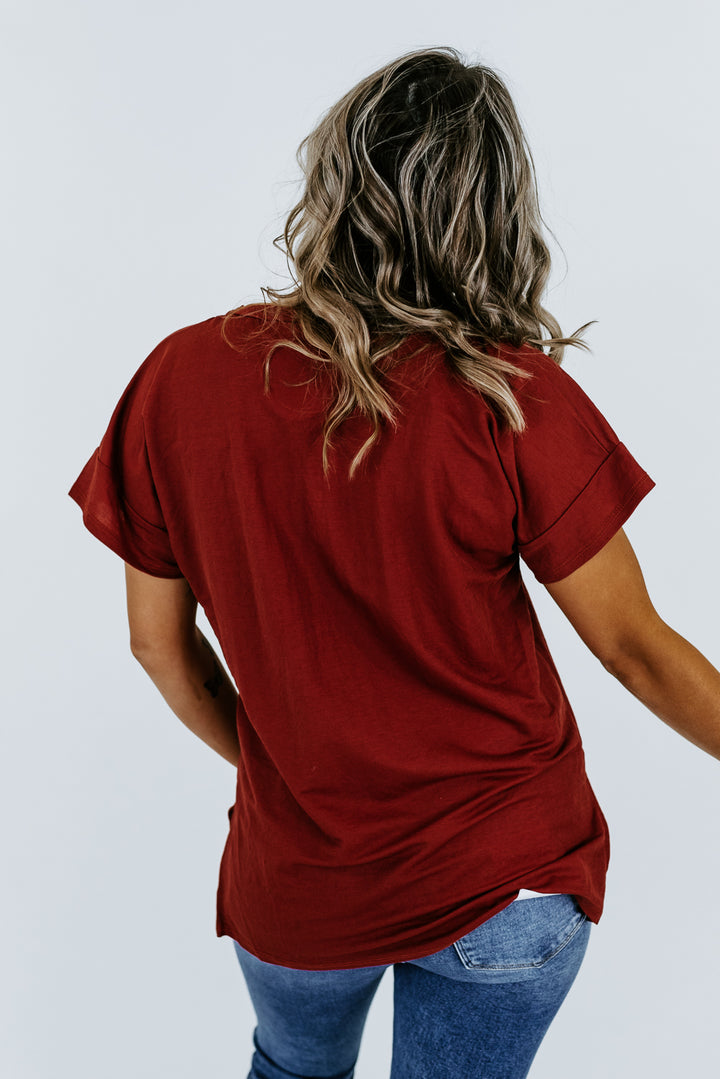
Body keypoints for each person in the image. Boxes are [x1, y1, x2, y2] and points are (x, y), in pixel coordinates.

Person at [67, 45, 720, 1079]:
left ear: (334, 184)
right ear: (493, 210)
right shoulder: (511, 396)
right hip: (503, 872)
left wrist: (294, 774)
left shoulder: (180, 376)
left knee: (290, 1069)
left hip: (298, 881)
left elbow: (157, 645)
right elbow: (635, 649)